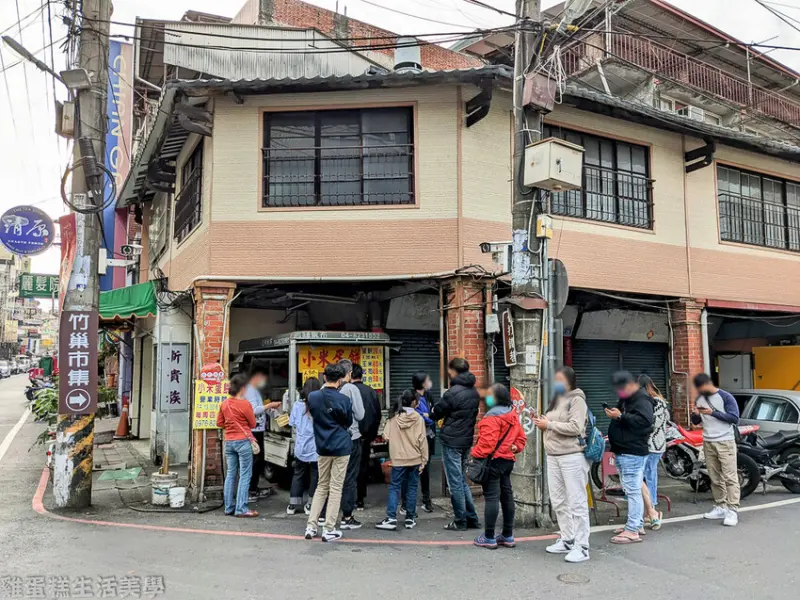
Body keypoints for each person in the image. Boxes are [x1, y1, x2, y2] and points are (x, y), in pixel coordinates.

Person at [534, 366, 591, 563]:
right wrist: (543, 421)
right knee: (558, 500)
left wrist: (549, 425)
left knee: (577, 501)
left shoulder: (577, 400)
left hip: (571, 456)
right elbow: (553, 423)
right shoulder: (556, 400)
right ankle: (567, 539)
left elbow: (576, 427)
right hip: (553, 455)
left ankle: (582, 546)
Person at [472, 383, 527, 550]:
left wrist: (474, 453)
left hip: (492, 463)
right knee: (507, 496)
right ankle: (507, 535)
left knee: (492, 498)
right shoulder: (512, 415)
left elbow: (486, 446)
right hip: (507, 462)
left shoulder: (491, 418)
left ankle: (489, 537)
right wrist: (515, 448)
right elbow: (521, 439)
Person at [304, 364, 353, 542]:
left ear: (324, 378)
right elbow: (348, 421)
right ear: (340, 380)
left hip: (322, 446)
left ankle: (311, 526)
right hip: (341, 447)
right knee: (335, 487)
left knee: (321, 485)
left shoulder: (313, 397)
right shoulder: (344, 400)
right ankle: (329, 528)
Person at [432, 357, 481, 531]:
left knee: (455, 483)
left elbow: (437, 412)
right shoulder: (474, 392)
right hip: (466, 440)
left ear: (453, 371)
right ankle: (472, 518)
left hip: (451, 441)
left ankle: (460, 520)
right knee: (461, 479)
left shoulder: (452, 392)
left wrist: (432, 412)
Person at [606, 371, 654, 544]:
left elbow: (645, 421)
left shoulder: (641, 399)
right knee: (631, 489)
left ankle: (633, 530)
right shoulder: (628, 399)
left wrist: (620, 416)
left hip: (632, 451)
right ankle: (636, 524)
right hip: (625, 450)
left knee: (632, 490)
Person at [691, 373, 741, 527]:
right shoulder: (699, 399)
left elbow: (734, 418)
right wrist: (696, 414)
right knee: (714, 476)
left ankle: (733, 509)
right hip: (708, 441)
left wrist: (713, 413)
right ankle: (720, 505)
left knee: (730, 476)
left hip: (725, 441)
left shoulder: (726, 397)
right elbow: (696, 421)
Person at [376, 389, 429, 531]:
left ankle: (391, 518)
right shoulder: (419, 419)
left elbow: (385, 436)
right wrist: (424, 460)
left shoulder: (393, 419)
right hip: (415, 458)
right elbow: (422, 440)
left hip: (398, 459)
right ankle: (410, 519)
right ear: (415, 402)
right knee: (412, 488)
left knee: (394, 487)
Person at [216, 373, 259, 519]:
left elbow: (219, 423)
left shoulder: (224, 404)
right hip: (243, 442)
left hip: (229, 442)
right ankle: (241, 508)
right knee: (245, 475)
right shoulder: (245, 404)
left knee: (230, 475)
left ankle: (229, 507)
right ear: (241, 388)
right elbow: (253, 424)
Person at [242, 365, 282, 501]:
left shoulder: (253, 390)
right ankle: (251, 491)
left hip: (257, 429)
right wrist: (270, 406)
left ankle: (253, 488)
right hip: (253, 430)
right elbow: (253, 410)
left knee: (257, 460)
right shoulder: (250, 390)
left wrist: (270, 410)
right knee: (255, 461)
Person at [335, 359, 366, 530]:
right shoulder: (350, 388)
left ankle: (328, 514)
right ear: (349, 373)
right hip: (351, 437)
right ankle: (347, 516)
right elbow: (360, 415)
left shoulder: (327, 389)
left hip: (332, 438)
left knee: (332, 477)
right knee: (349, 477)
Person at [287, 377, 321, 516]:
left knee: (298, 474)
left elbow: (292, 424)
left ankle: (292, 505)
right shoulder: (319, 405)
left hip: (301, 445)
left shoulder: (296, 405)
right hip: (315, 446)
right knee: (315, 475)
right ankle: (310, 504)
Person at [639, 375, 668, 531]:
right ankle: (647, 511)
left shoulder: (657, 403)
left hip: (653, 445)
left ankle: (653, 510)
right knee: (644, 477)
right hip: (652, 444)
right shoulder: (654, 402)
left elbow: (653, 423)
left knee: (648, 476)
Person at [352, 363, 382, 510]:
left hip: (349, 437)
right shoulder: (371, 392)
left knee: (348, 468)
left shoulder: (345, 391)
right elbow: (378, 415)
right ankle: (360, 500)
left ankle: (348, 500)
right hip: (365, 437)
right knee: (362, 467)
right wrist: (372, 435)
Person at [406, 371, 436, 514]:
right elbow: (425, 417)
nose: (430, 381)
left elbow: (433, 414)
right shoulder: (412, 397)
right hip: (414, 436)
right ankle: (406, 503)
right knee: (411, 467)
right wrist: (428, 417)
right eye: (428, 379)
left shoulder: (429, 396)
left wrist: (430, 416)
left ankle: (426, 499)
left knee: (426, 468)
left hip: (428, 436)